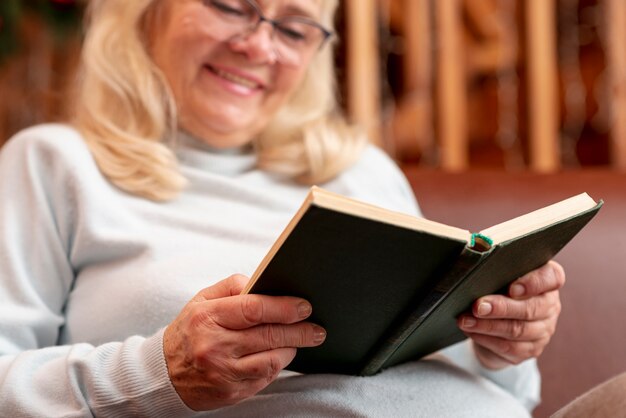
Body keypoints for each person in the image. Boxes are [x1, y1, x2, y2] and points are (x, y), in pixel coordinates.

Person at [0, 0, 566, 416]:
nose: (259, 46)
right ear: (147, 13)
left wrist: (504, 349)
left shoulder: (361, 170)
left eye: (294, 30)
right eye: (230, 7)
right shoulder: (54, 163)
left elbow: (514, 398)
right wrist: (159, 372)